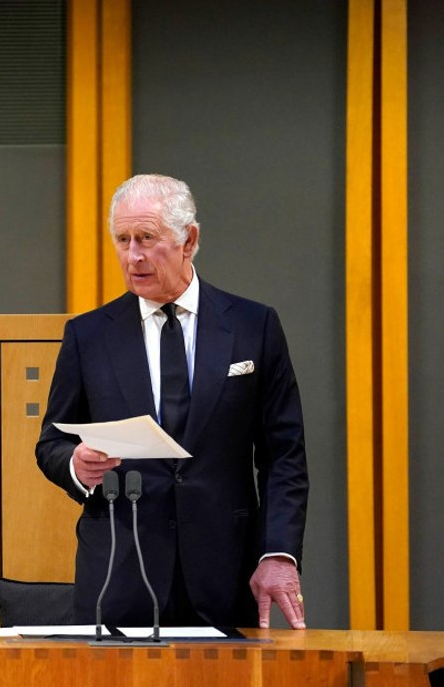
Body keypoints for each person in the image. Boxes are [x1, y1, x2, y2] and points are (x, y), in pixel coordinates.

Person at [36, 174, 309, 630]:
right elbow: (51, 442)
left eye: (147, 238)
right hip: (119, 573)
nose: (133, 255)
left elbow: (285, 455)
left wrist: (277, 553)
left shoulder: (252, 326)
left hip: (226, 570)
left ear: (189, 240)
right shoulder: (89, 335)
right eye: (122, 240)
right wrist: (75, 465)